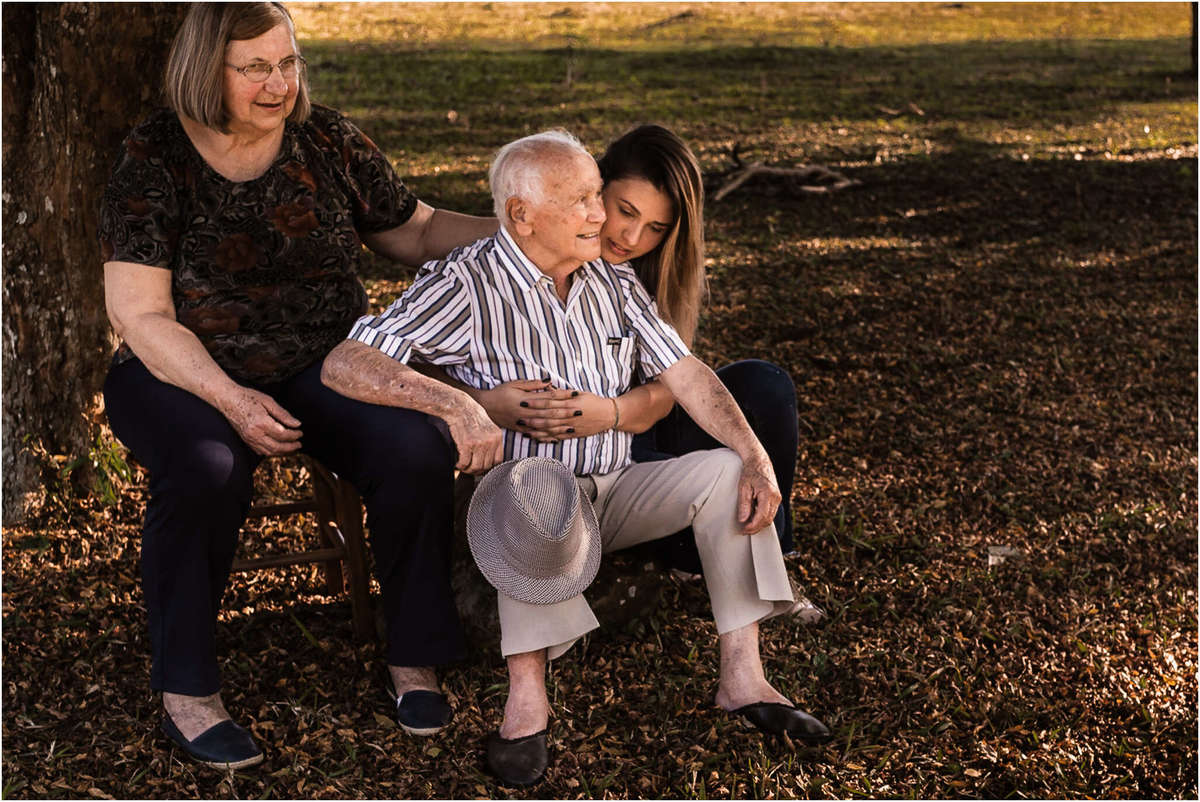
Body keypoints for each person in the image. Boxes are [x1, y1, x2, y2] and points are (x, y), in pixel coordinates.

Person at [321, 130, 831, 788]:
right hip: (521, 499)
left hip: (615, 488)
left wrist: (756, 454)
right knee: (535, 483)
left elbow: (687, 373)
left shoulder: (610, 282)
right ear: (522, 216)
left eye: (598, 197)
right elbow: (347, 361)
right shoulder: (466, 282)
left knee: (726, 470)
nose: (601, 218)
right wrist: (460, 406)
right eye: (585, 202)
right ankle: (526, 704)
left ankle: (744, 679)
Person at [99, 2, 500, 769]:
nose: (278, 82)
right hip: (181, 370)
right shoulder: (152, 156)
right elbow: (140, 317)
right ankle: (186, 685)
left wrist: (518, 230)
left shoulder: (328, 138)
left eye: (287, 63)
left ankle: (413, 656)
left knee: (415, 445)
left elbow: (411, 230)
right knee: (207, 469)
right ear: (205, 68)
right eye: (255, 67)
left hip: (325, 360)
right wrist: (232, 398)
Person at [444, 124, 800, 574]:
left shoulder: (636, 277)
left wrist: (609, 412)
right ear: (592, 190)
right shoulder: (522, 244)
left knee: (762, 384)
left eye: (655, 227)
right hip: (562, 462)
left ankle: (769, 549)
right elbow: (424, 247)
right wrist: (481, 404)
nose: (631, 238)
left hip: (628, 433)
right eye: (624, 211)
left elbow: (675, 384)